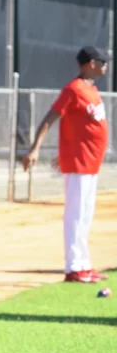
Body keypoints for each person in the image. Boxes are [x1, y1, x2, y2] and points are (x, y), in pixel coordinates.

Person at [22, 46, 110, 284]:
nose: (106, 66)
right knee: (75, 215)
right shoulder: (73, 89)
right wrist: (35, 149)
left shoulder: (91, 90)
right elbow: (50, 118)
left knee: (86, 215)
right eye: (103, 62)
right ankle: (73, 268)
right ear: (91, 63)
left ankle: (84, 264)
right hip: (80, 162)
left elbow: (80, 126)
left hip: (90, 162)